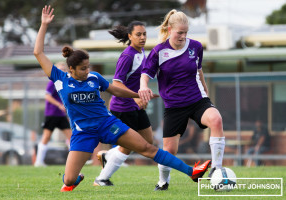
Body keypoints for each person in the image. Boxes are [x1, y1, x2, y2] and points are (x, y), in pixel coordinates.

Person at [34, 5, 211, 192]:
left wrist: (139, 94)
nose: (87, 71)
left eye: (88, 67)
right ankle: (76, 177)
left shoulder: (94, 77)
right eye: (83, 69)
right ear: (71, 69)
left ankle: (192, 172)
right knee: (68, 181)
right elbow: (38, 53)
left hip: (107, 123)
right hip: (83, 132)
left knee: (147, 147)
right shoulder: (60, 79)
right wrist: (44, 25)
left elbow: (116, 90)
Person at [138, 9, 225, 191]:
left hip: (197, 100)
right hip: (174, 106)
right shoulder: (159, 52)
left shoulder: (196, 46)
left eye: (186, 32)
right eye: (180, 32)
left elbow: (198, 70)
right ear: (170, 30)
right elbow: (146, 74)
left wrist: (206, 91)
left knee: (216, 119)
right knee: (169, 151)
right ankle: (163, 182)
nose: (183, 36)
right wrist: (143, 86)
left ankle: (216, 170)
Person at [94, 21, 154, 186]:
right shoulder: (127, 56)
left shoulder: (142, 52)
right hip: (122, 108)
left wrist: (142, 96)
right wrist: (135, 97)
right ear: (130, 36)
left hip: (134, 106)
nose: (142, 38)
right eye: (138, 34)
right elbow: (116, 83)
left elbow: (140, 79)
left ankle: (108, 156)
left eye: (144, 34)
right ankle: (101, 179)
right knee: (128, 146)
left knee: (148, 141)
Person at [34, 62, 72, 167]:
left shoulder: (65, 83)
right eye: (60, 69)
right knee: (46, 137)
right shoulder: (53, 82)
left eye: (64, 69)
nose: (63, 70)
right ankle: (38, 162)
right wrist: (59, 105)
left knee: (71, 137)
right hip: (51, 114)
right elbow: (47, 96)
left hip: (61, 115)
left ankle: (74, 161)